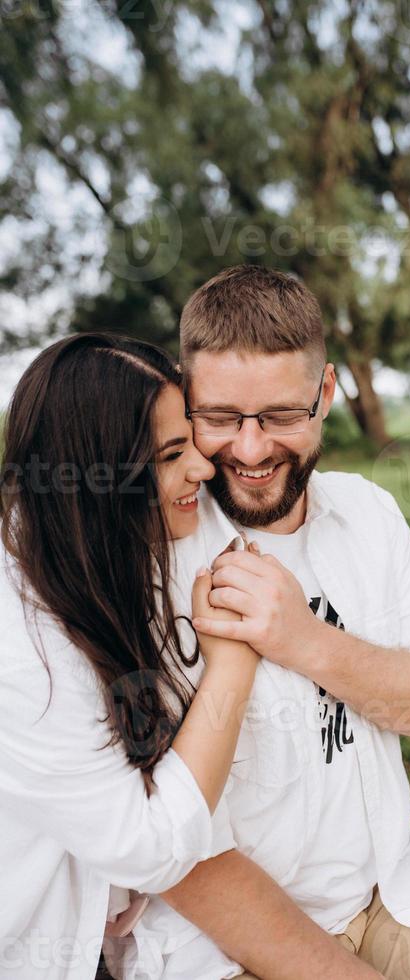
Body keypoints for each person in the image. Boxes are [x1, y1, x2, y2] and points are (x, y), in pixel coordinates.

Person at [112, 266, 410, 979]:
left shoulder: (368, 514)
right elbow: (170, 849)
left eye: (283, 417)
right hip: (214, 939)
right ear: (183, 399)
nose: (252, 451)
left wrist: (305, 641)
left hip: (388, 890)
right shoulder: (148, 554)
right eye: (222, 418)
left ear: (324, 394)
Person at [0, 333, 262, 980]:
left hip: (118, 926)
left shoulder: (95, 550)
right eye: (171, 454)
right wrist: (231, 667)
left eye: (191, 442)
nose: (202, 469)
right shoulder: (21, 643)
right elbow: (149, 848)